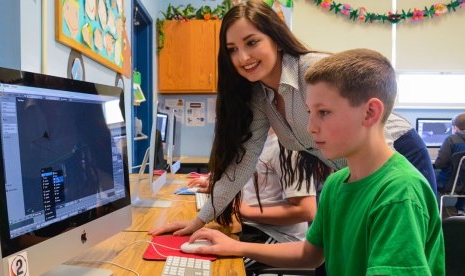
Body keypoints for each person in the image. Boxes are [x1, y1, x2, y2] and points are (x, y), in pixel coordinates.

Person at [149, 0, 436, 238]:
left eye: (251, 42)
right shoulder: (260, 97)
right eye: (232, 50)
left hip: (395, 154)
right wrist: (197, 221)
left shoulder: (312, 69)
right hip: (344, 175)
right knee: (335, 257)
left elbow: (373, 129)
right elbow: (242, 162)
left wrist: (377, 185)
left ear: (274, 38)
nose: (243, 57)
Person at [186, 48, 445, 275]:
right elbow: (310, 255)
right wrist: (235, 247)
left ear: (370, 112)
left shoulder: (398, 194)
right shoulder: (335, 184)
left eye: (323, 113)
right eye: (310, 112)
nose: (310, 127)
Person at [189, 129, 321, 274]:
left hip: (276, 238)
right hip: (253, 229)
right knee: (196, 252)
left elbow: (307, 210)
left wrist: (246, 210)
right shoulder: (255, 144)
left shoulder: (286, 147)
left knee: (213, 267)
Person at [435, 113, 465, 215]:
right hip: (463, 184)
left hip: (450, 184)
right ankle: (461, 209)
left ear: (455, 127)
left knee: (429, 174)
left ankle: (432, 210)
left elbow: (439, 163)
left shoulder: (451, 139)